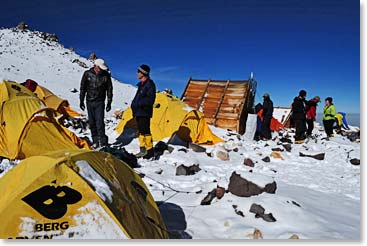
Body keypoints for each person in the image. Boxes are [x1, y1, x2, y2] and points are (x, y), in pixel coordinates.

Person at [79, 58, 113, 148]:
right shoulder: (87, 74)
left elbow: (109, 90)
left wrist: (109, 102)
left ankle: (103, 142)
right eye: (100, 68)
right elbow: (83, 88)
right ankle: (95, 141)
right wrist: (81, 100)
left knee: (100, 122)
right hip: (89, 101)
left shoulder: (106, 76)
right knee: (92, 122)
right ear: (96, 66)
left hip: (99, 102)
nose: (101, 70)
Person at [131, 64, 156, 159]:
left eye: (138, 72)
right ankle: (143, 150)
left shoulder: (150, 85)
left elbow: (150, 99)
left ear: (143, 73)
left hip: (144, 112)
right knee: (141, 131)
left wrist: (139, 103)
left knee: (146, 131)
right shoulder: (141, 85)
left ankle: (150, 152)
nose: (137, 73)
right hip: (139, 111)